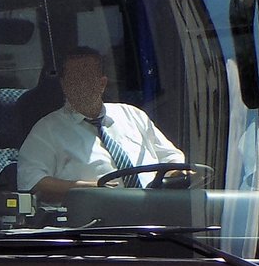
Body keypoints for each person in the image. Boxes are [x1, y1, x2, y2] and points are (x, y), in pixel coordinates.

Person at [17, 47, 184, 207]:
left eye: (87, 78)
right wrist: (89, 189)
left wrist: (176, 175)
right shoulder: (47, 129)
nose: (81, 85)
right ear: (63, 85)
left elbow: (171, 158)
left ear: (102, 83)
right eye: (74, 79)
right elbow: (31, 182)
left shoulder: (133, 115)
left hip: (157, 212)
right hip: (95, 222)